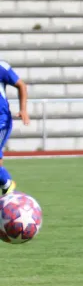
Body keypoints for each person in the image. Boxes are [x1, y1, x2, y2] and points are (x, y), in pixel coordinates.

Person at [0, 60, 30, 195]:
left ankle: (7, 183)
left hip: (1, 121)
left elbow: (21, 85)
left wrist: (23, 110)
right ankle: (6, 187)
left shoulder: (2, 67)